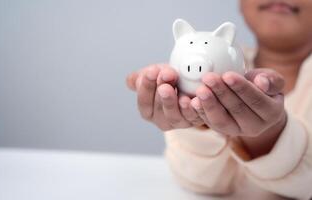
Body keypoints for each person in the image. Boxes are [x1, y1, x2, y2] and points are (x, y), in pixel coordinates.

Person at [126, 0, 312, 199]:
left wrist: (270, 136)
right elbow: (198, 180)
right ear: (241, 4)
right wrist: (197, 123)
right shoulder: (228, 63)